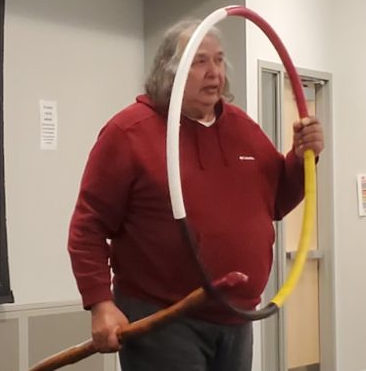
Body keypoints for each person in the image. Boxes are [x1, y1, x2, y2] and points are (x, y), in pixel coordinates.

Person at [68, 19, 324, 371]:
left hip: (235, 318)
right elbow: (88, 227)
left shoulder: (242, 128)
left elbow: (277, 201)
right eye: (200, 61)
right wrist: (100, 303)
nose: (214, 72)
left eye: (218, 60)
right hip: (163, 320)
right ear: (168, 72)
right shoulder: (128, 132)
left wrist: (300, 159)